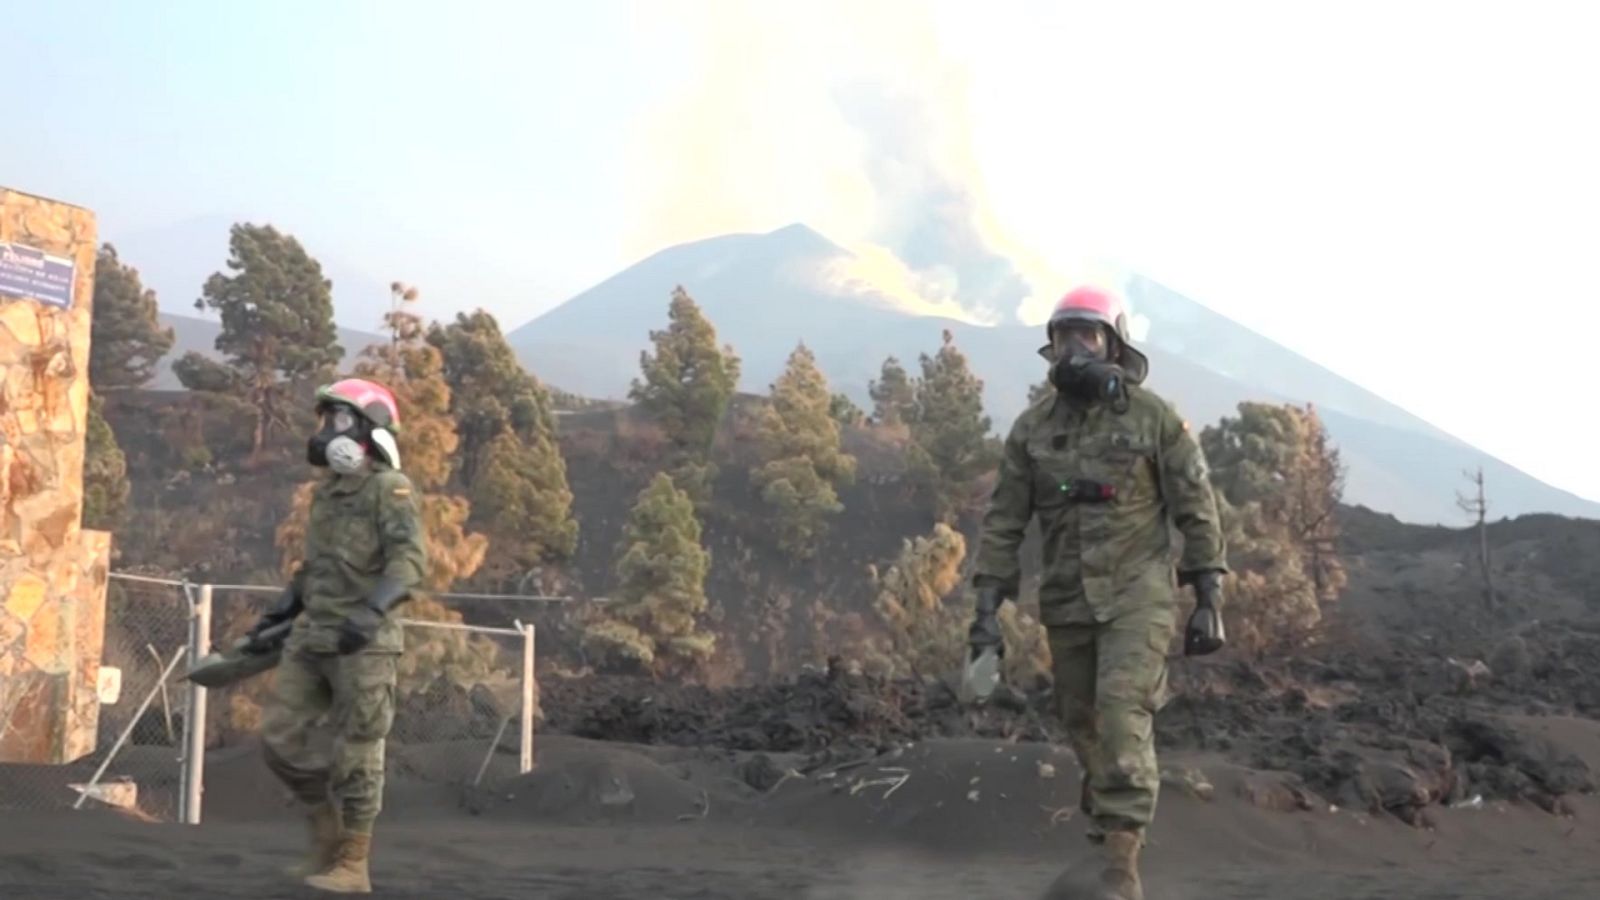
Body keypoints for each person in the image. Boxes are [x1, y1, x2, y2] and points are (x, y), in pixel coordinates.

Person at [967, 286, 1227, 900]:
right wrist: (985, 611)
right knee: (1081, 721)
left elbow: (1196, 504)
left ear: (1114, 342)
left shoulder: (1152, 418)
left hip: (1138, 596)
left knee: (1119, 712)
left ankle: (1119, 871)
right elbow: (1003, 520)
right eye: (1063, 335)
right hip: (1067, 600)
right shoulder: (1032, 430)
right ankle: (1101, 845)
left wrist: (1208, 592)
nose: (1075, 348)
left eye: (1088, 334)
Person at [249, 377, 428, 894]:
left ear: (371, 429)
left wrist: (373, 612)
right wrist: (281, 611)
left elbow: (409, 561)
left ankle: (353, 862)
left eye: (342, 421)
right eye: (327, 421)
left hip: (364, 642)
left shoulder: (390, 490)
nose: (329, 433)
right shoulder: (326, 495)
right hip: (315, 634)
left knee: (358, 751)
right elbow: (315, 567)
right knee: (280, 739)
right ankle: (325, 839)